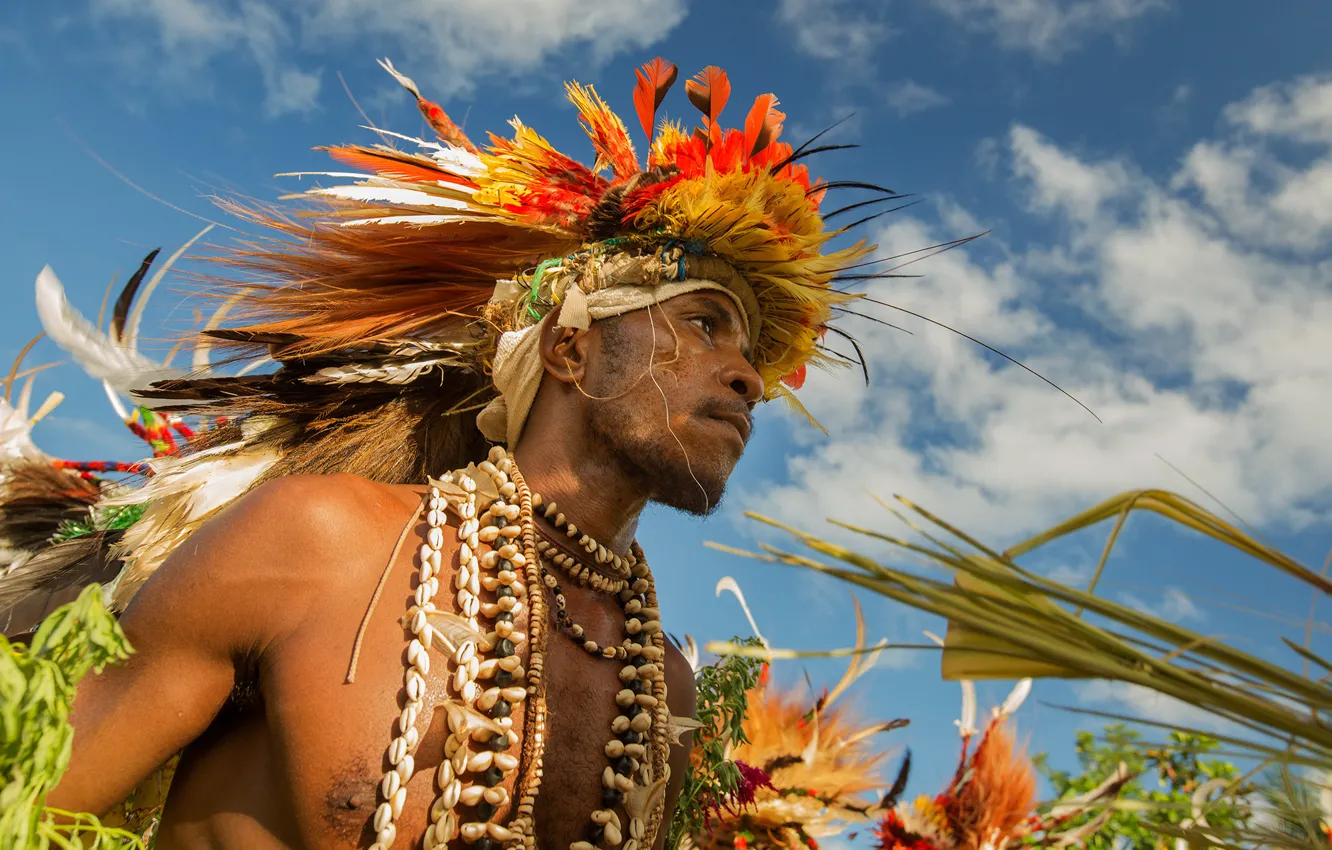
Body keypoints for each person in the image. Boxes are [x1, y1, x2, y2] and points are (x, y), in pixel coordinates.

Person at [2, 56, 891, 850]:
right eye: (703, 324)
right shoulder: (317, 543)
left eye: (753, 362)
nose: (746, 379)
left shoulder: (665, 691)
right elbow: (33, 808)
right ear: (569, 349)